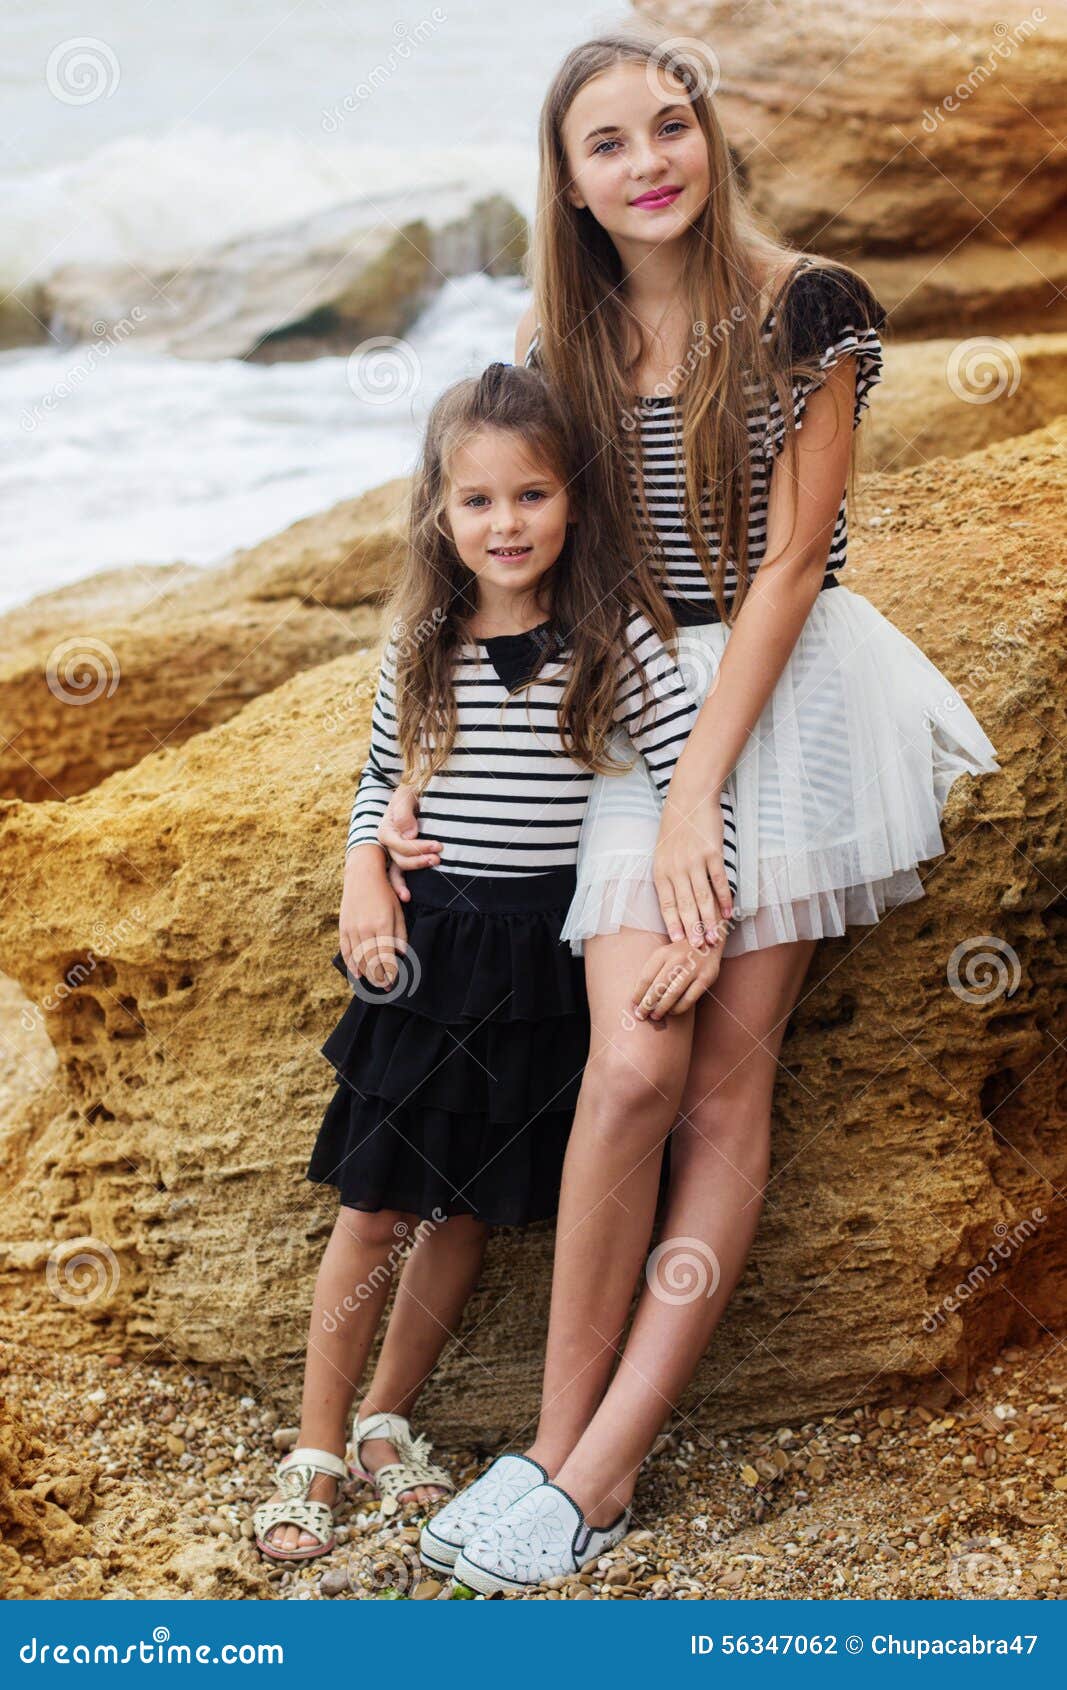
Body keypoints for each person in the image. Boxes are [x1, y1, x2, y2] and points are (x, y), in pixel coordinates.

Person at [379, 31, 1000, 1593]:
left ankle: (597, 1474)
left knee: (722, 1073)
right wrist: (392, 800)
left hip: (780, 706)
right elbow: (526, 565)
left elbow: (791, 567)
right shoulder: (554, 330)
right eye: (608, 144)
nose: (648, 161)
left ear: (709, 139)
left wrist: (695, 808)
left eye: (672, 126)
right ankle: (544, 1436)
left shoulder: (806, 306)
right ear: (568, 180)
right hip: (633, 698)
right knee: (626, 1065)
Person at [252, 358, 735, 1561]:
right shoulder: (423, 643)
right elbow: (378, 782)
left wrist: (697, 918)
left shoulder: (612, 637)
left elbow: (688, 783)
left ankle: (384, 1421)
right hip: (432, 949)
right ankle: (312, 1447)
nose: (504, 523)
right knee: (374, 1207)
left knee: (462, 1213)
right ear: (439, 511)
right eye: (476, 502)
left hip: (540, 962)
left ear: (569, 498)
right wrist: (364, 867)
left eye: (528, 496)